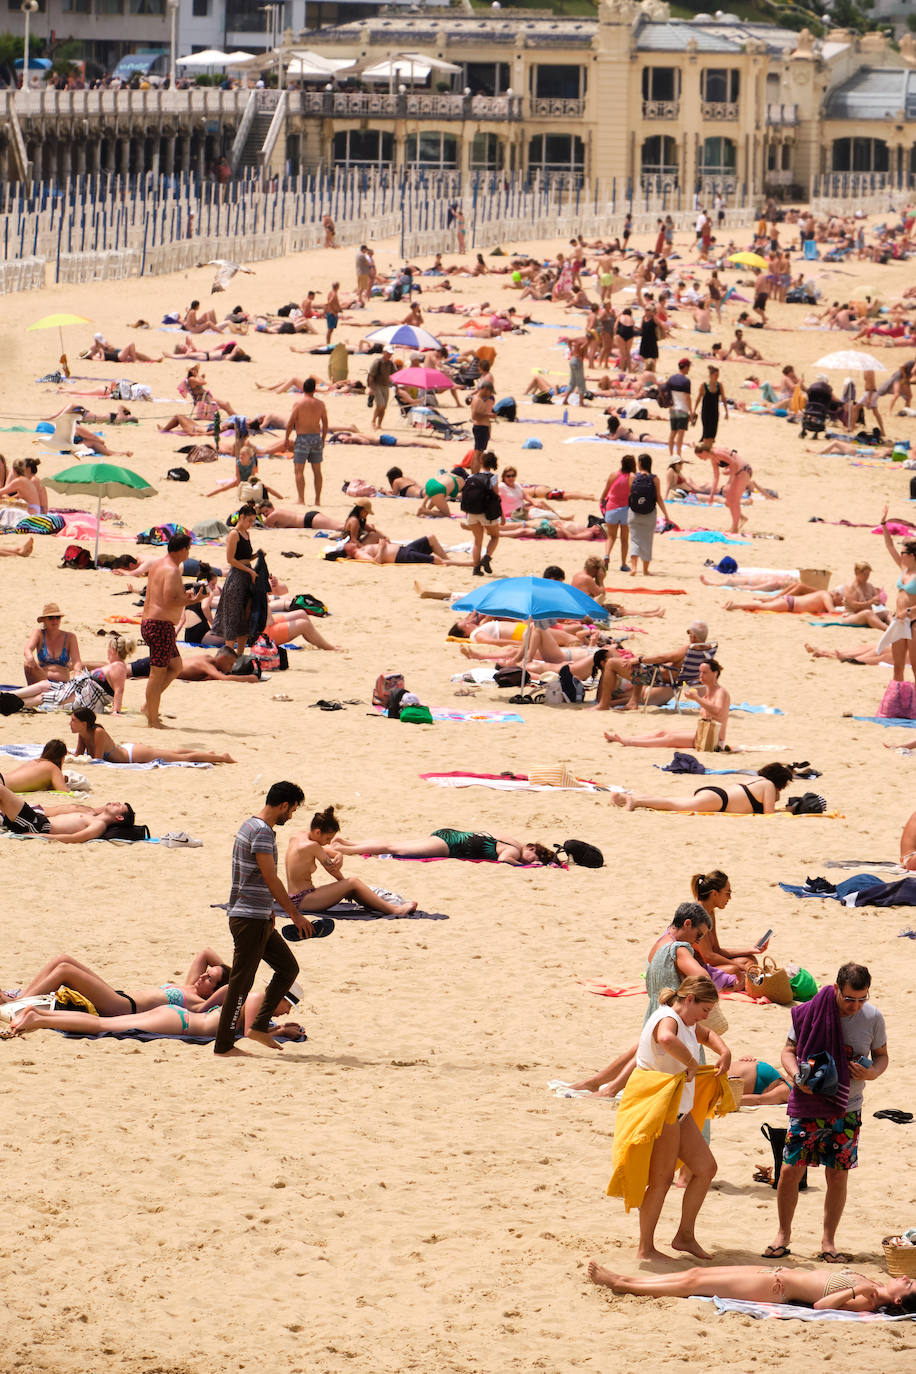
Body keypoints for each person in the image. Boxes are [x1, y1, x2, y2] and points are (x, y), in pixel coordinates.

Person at [765, 963, 888, 1264]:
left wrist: (872, 1074)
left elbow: (882, 1057)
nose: (855, 1006)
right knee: (790, 1170)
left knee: (837, 1175)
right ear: (836, 989)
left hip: (848, 1108)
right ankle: (783, 1234)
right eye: (849, 999)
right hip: (808, 1103)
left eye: (862, 999)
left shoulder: (872, 1018)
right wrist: (796, 1077)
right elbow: (787, 1051)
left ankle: (828, 1241)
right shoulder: (810, 1011)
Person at [607, 976, 730, 1262]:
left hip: (679, 1110)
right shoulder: (668, 1017)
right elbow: (665, 1038)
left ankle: (684, 1236)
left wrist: (724, 1052)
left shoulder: (686, 1021)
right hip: (662, 1110)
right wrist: (691, 1062)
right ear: (689, 999)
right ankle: (645, 1249)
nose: (707, 1015)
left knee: (705, 1168)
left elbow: (708, 1035)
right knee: (661, 1180)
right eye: (705, 1008)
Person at [214, 782, 316, 1057]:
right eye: (292, 810)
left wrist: (270, 910)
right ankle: (223, 1046)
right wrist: (295, 915)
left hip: (257, 915)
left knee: (287, 968)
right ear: (283, 805)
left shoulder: (251, 826)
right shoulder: (261, 833)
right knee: (241, 982)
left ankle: (258, 1025)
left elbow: (254, 877)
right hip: (248, 919)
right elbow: (270, 878)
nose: (291, 816)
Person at [587, 1261, 916, 1314]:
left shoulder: (868, 1302)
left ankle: (621, 1283)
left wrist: (852, 1293)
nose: (905, 1277)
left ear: (900, 1298)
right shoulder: (873, 1283)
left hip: (774, 1288)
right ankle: (630, 1281)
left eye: (910, 1283)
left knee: (692, 1284)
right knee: (696, 1273)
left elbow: (820, 1308)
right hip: (774, 1272)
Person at [7, 989, 305, 1045]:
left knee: (105, 1025)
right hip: (180, 1023)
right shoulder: (254, 999)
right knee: (101, 1025)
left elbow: (227, 989)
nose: (287, 1011)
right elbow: (252, 1034)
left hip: (182, 1017)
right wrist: (277, 1037)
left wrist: (204, 1007)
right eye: (288, 1004)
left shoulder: (248, 993)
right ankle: (38, 1019)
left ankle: (37, 1017)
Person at [7, 948, 230, 1016]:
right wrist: (225, 970)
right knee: (61, 959)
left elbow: (231, 987)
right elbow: (205, 954)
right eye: (206, 973)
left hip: (122, 1008)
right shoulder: (191, 985)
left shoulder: (197, 1004)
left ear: (215, 990)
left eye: (209, 978)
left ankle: (14, 1005)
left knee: (65, 971)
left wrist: (238, 981)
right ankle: (19, 998)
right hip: (118, 995)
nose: (202, 975)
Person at [284, 805, 418, 916]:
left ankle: (382, 905)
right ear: (318, 832)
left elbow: (325, 851)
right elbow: (332, 869)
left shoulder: (298, 837)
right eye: (327, 838)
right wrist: (344, 884)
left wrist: (339, 854)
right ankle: (394, 910)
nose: (329, 842)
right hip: (303, 900)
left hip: (295, 897)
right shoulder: (312, 846)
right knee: (353, 882)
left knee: (351, 887)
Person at [603, 659, 730, 750]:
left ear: (715, 673)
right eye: (700, 672)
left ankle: (629, 742)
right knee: (663, 732)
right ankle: (626, 738)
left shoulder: (721, 692)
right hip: (704, 733)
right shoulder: (709, 691)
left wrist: (696, 698)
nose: (701, 676)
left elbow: (717, 711)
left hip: (714, 740)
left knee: (670, 739)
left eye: (705, 672)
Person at [140, 531, 196, 728]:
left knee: (176, 666)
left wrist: (186, 595)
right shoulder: (172, 569)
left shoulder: (159, 564)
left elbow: (163, 595)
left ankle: (149, 707)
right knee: (157, 674)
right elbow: (169, 599)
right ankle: (152, 719)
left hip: (154, 624)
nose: (189, 553)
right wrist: (196, 599)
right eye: (189, 548)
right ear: (182, 549)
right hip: (159, 626)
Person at [68, 708, 235, 765]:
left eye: (73, 720)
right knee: (173, 752)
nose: (70, 723)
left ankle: (222, 757)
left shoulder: (98, 732)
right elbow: (78, 754)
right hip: (125, 751)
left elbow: (97, 760)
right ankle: (211, 755)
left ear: (84, 723)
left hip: (133, 755)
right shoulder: (83, 733)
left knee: (179, 758)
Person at [613, 761, 795, 814]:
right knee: (676, 805)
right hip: (719, 801)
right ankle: (635, 800)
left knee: (676, 801)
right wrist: (786, 809)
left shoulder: (758, 780)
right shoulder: (769, 786)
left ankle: (625, 798)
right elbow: (769, 813)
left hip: (716, 794)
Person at [691, 869, 765, 989]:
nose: (729, 898)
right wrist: (742, 968)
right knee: (735, 969)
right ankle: (747, 983)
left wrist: (751, 949)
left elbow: (716, 950)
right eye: (727, 893)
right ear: (714, 893)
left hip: (706, 965)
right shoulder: (697, 916)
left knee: (749, 960)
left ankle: (747, 982)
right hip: (693, 971)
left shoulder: (710, 913)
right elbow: (708, 956)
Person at [0, 778, 133, 842]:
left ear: (119, 817)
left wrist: (41, 836)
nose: (115, 802)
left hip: (37, 826)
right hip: (36, 820)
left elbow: (74, 838)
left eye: (119, 806)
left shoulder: (99, 825)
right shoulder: (92, 816)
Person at [330, 830, 557, 866]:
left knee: (398, 845)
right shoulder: (515, 851)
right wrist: (525, 866)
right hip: (451, 845)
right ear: (531, 848)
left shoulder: (513, 840)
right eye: (531, 856)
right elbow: (505, 860)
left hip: (451, 835)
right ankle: (347, 849)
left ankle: (349, 843)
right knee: (396, 847)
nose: (528, 859)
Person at [211, 503, 258, 662]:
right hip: (237, 578)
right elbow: (230, 560)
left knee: (245, 617)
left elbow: (245, 556)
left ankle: (240, 656)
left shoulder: (246, 534)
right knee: (232, 617)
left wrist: (256, 556)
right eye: (249, 520)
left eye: (253, 521)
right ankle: (229, 655)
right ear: (242, 517)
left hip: (246, 576)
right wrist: (249, 570)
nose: (251, 524)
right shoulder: (234, 534)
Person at [880, 507, 916, 684]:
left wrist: (908, 610)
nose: (900, 555)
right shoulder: (904, 568)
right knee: (898, 666)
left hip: (914, 622)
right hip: (900, 621)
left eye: (903, 553)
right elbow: (889, 546)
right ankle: (899, 702)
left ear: (911, 555)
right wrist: (883, 525)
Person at [285, 378, 328, 506]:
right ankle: (317, 500)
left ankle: (301, 499)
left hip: (302, 438)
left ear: (303, 389)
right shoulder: (320, 404)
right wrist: (323, 439)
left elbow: (290, 422)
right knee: (317, 471)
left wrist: (286, 438)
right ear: (314, 389)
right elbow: (325, 424)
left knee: (299, 470)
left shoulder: (298, 404)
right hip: (316, 438)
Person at [627, 454, 669, 577]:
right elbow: (659, 498)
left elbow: (631, 494)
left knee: (634, 539)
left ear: (639, 463)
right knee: (647, 540)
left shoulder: (632, 476)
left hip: (634, 512)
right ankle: (645, 570)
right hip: (649, 513)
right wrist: (666, 514)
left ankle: (633, 568)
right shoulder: (655, 479)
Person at [23, 603, 83, 686]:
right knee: (27, 664)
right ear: (44, 620)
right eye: (50, 618)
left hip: (63, 683)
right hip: (42, 680)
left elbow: (77, 662)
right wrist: (30, 658)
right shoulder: (39, 634)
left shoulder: (70, 637)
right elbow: (27, 649)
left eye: (57, 618)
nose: (55, 621)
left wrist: (77, 677)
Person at [600, 455, 635, 571]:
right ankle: (624, 564)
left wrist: (601, 502)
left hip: (611, 508)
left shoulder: (613, 475)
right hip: (625, 510)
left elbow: (605, 493)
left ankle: (606, 555)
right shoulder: (632, 477)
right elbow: (633, 494)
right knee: (624, 539)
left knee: (611, 536)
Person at [0, 740, 68, 793]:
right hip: (3, 786)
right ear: (62, 757)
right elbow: (63, 790)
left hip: (2, 778)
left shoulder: (35, 761)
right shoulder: (53, 768)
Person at [692, 365, 728, 443]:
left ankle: (709, 446)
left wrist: (726, 412)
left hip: (715, 411)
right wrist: (694, 410)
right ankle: (705, 445)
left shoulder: (719, 385)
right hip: (706, 411)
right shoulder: (704, 385)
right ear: (710, 375)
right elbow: (698, 398)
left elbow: (723, 398)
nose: (717, 377)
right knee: (706, 430)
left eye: (718, 375)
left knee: (713, 431)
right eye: (715, 375)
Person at [667, 358, 692, 460]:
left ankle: (671, 453)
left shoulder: (672, 378)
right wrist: (691, 410)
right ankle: (678, 454)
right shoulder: (686, 381)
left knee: (673, 432)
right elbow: (687, 397)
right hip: (682, 409)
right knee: (681, 433)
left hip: (673, 408)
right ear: (685, 367)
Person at [367, 348, 396, 430]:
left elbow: (394, 375)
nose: (389, 355)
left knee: (384, 407)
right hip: (377, 385)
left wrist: (396, 387)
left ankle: (379, 424)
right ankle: (373, 421)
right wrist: (371, 388)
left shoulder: (391, 364)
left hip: (385, 386)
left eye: (390, 354)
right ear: (384, 352)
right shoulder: (377, 362)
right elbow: (371, 376)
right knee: (380, 405)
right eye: (388, 353)